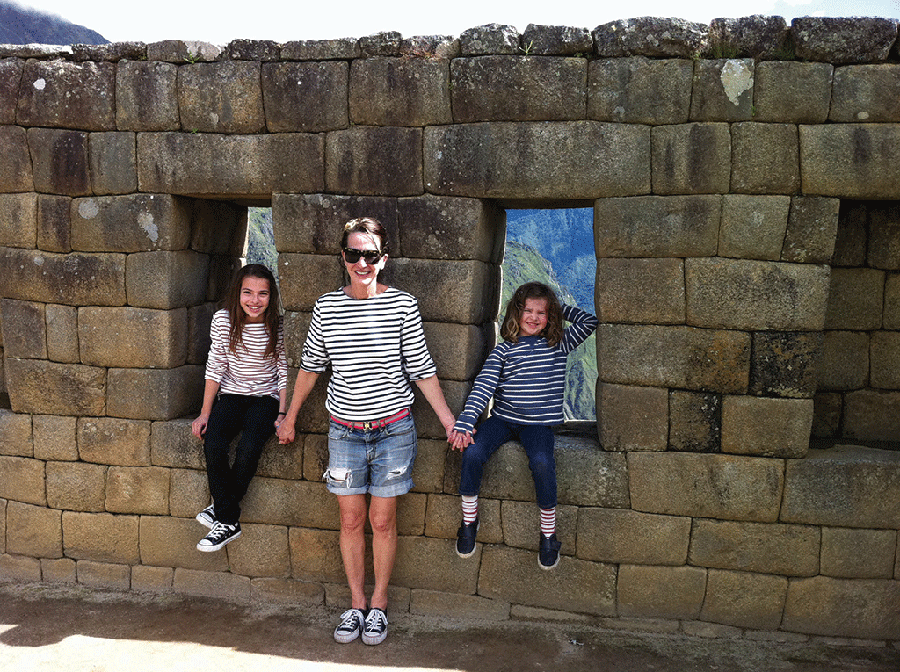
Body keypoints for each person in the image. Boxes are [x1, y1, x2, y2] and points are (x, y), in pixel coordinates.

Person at [276, 217, 456, 646]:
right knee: (351, 519)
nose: (362, 263)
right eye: (354, 254)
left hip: (393, 430)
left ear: (383, 259)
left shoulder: (402, 306)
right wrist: (290, 416)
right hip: (345, 431)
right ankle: (356, 604)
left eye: (370, 255)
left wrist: (449, 420)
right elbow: (311, 368)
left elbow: (421, 369)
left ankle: (379, 604)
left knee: (382, 520)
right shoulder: (327, 307)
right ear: (343, 257)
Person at [449, 281, 599, 570]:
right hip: (503, 420)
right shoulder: (504, 352)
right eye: (527, 310)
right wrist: (466, 422)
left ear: (550, 316)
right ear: (516, 314)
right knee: (473, 452)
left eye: (541, 312)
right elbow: (483, 386)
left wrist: (558, 308)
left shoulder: (559, 344)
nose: (534, 317)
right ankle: (469, 521)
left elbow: (589, 322)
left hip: (538, 425)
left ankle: (548, 534)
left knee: (542, 462)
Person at [191, 264, 287, 553]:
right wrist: (205, 413)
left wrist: (283, 414)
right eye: (248, 292)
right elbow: (216, 365)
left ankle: (223, 515)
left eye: (262, 294)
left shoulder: (278, 325)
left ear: (271, 296)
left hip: (266, 398)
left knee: (248, 448)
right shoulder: (223, 320)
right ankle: (228, 517)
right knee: (214, 443)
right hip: (232, 394)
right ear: (237, 293)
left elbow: (284, 370)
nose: (254, 300)